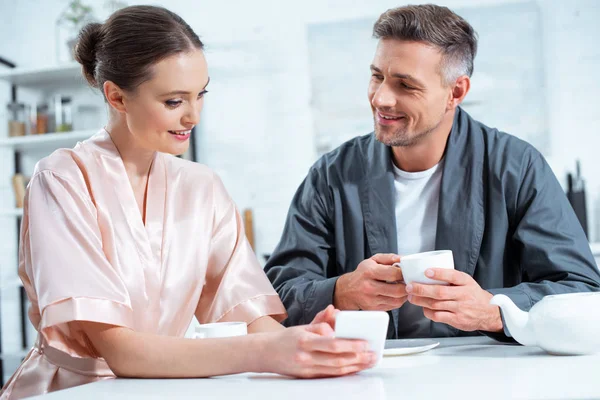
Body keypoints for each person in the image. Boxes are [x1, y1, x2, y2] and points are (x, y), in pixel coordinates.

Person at [0, 6, 376, 399]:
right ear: (117, 96)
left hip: (161, 389)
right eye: (174, 101)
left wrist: (307, 341)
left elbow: (250, 318)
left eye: (201, 95)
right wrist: (267, 351)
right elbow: (119, 352)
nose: (193, 115)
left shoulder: (202, 187)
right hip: (72, 392)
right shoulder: (61, 180)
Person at [265, 4, 600, 341]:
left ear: (456, 92)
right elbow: (275, 297)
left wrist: (494, 309)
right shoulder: (331, 176)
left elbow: (581, 292)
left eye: (405, 86)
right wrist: (340, 291)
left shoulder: (517, 167)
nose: (381, 98)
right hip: (369, 375)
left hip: (490, 376)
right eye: (377, 76)